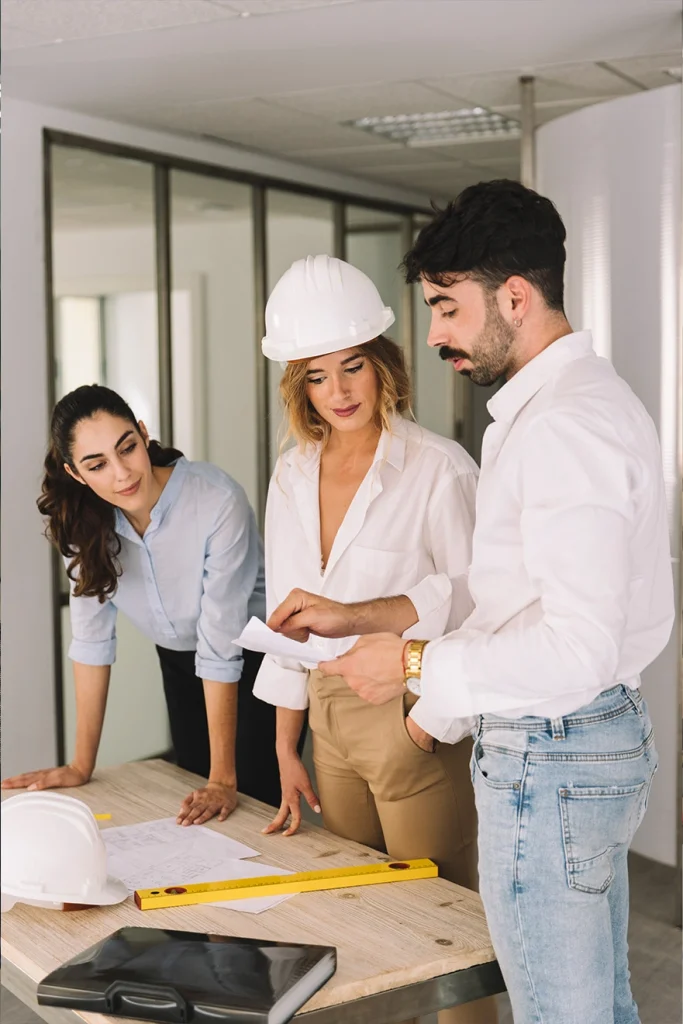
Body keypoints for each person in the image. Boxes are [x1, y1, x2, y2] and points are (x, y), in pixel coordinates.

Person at [267, 184, 675, 1024]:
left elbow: (575, 644)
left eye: (447, 308)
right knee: (597, 1007)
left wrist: (414, 666)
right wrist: (368, 617)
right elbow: (503, 592)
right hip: (566, 746)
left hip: (551, 754)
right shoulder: (563, 409)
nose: (434, 334)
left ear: (514, 298)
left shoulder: (563, 427)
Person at [255, 255, 495, 1024]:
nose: (340, 391)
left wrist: (427, 729)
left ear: (380, 363)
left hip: (410, 711)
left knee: (447, 936)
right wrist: (285, 747)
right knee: (359, 929)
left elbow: (475, 606)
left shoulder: (438, 468)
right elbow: (288, 624)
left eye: (352, 367)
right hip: (328, 726)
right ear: (299, 386)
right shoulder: (291, 475)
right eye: (318, 377)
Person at [2, 384, 297, 823]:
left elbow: (220, 643)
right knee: (196, 809)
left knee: (255, 810)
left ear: (143, 434)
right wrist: (82, 765)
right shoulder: (81, 521)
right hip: (179, 662)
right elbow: (91, 642)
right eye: (97, 464)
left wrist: (223, 778)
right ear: (76, 474)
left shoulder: (215, 500)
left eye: (127, 448)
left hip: (256, 662)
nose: (122, 473)